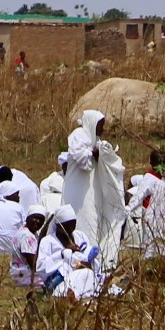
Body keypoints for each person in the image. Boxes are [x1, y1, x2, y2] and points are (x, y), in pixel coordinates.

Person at [63, 111, 128, 271]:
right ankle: (80, 259)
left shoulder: (96, 141)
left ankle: (93, 260)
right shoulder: (79, 135)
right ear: (92, 124)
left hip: (92, 190)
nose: (102, 129)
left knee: (95, 219)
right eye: (100, 126)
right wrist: (94, 152)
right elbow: (82, 159)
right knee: (83, 219)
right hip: (79, 191)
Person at [37, 205, 100, 299]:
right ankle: (58, 291)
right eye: (67, 225)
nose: (71, 228)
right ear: (58, 226)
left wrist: (85, 262)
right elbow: (41, 267)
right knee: (64, 267)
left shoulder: (80, 236)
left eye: (73, 224)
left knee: (88, 273)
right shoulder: (47, 241)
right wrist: (62, 254)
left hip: (81, 273)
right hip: (58, 277)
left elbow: (87, 254)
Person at [128, 150, 165, 258]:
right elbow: (139, 196)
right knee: (150, 247)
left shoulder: (162, 182)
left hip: (162, 219)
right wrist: (128, 210)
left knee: (160, 247)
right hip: (151, 219)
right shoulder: (149, 178)